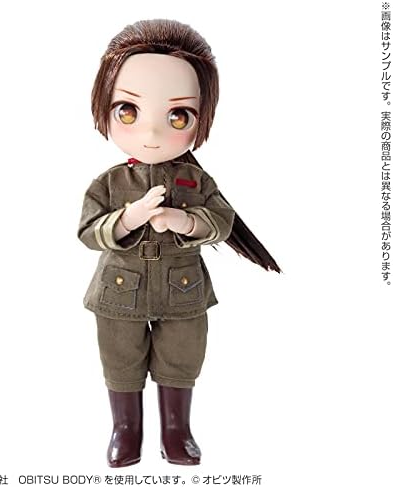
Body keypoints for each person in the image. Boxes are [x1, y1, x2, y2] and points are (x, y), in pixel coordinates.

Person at [78, 19, 281, 467]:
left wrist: (185, 221)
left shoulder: (196, 179)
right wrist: (128, 218)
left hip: (182, 287)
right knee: (120, 358)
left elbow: (222, 221)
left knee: (182, 357)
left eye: (178, 116)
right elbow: (89, 231)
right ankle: (126, 430)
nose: (151, 133)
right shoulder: (109, 183)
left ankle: (176, 431)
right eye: (127, 111)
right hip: (121, 287)